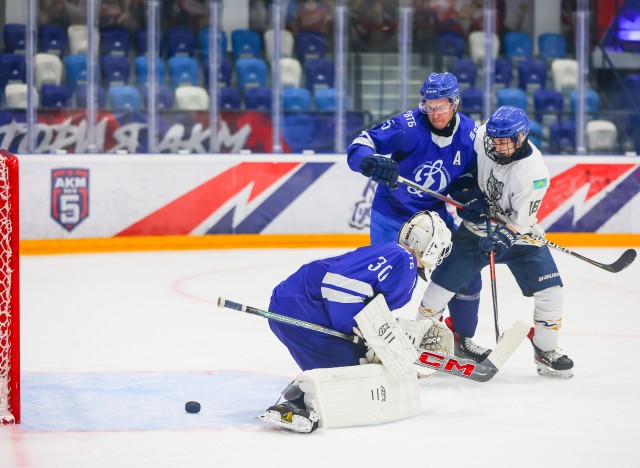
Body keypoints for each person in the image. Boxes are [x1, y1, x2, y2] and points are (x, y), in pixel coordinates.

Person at [259, 211, 454, 433]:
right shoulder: (402, 260)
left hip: (297, 305)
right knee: (357, 371)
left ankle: (294, 401)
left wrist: (379, 336)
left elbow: (362, 300)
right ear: (432, 245)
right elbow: (339, 286)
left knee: (358, 367)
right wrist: (362, 331)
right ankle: (293, 405)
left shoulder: (397, 256)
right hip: (302, 308)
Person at [418, 105, 574, 379]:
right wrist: (467, 195)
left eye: (504, 141)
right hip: (475, 231)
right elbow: (460, 171)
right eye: (494, 139)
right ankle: (416, 344)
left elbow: (521, 221)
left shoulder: (534, 174)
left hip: (521, 235)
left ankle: (545, 349)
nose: (497, 146)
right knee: (439, 289)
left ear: (521, 137)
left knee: (552, 292)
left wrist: (505, 235)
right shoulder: (482, 139)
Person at [346, 72, 488, 362]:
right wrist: (371, 162)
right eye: (429, 105)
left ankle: (461, 337)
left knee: (466, 271)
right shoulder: (408, 125)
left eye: (441, 106)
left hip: (432, 218)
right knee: (385, 282)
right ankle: (368, 341)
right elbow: (360, 144)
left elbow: (468, 179)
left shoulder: (470, 134)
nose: (434, 112)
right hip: (392, 216)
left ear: (455, 103)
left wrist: (470, 199)